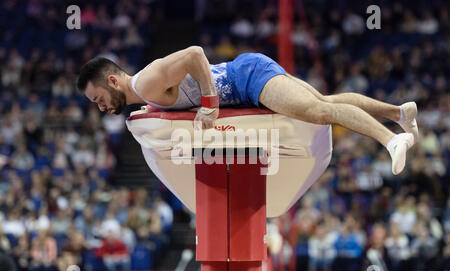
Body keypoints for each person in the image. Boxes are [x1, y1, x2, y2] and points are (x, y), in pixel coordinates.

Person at [77, 47, 419, 175]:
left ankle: (392, 141)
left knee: (317, 112)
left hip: (246, 79)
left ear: (112, 80)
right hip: (245, 77)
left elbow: (196, 54)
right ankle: (399, 113)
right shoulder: (145, 95)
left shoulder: (147, 82)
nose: (101, 107)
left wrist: (210, 104)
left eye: (98, 99)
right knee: (328, 102)